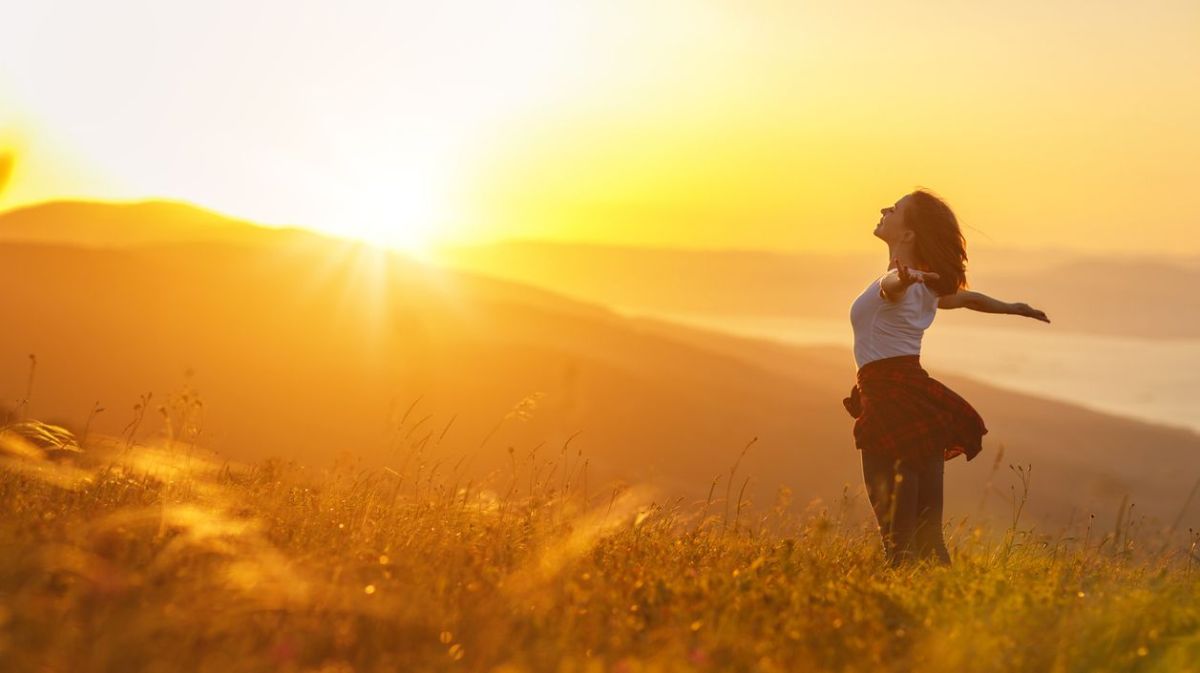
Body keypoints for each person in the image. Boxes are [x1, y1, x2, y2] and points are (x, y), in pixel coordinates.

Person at [843, 188, 1050, 568]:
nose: (885, 209)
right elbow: (969, 299)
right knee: (927, 535)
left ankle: (908, 617)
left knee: (898, 542)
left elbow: (893, 288)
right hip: (916, 401)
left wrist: (902, 279)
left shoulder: (900, 283)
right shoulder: (924, 287)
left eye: (896, 208)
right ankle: (947, 605)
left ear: (907, 235)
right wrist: (1013, 308)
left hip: (889, 405)